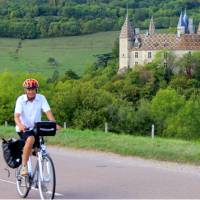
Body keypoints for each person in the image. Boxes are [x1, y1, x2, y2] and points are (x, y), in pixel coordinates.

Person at [14, 78, 61, 176]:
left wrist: (54, 124)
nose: (31, 91)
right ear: (25, 90)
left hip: (37, 128)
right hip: (24, 129)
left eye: (33, 89)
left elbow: (48, 112)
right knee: (30, 139)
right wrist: (20, 125)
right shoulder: (20, 100)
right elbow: (16, 116)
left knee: (39, 151)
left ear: (36, 90)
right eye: (29, 89)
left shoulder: (41, 98)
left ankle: (40, 180)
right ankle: (24, 167)